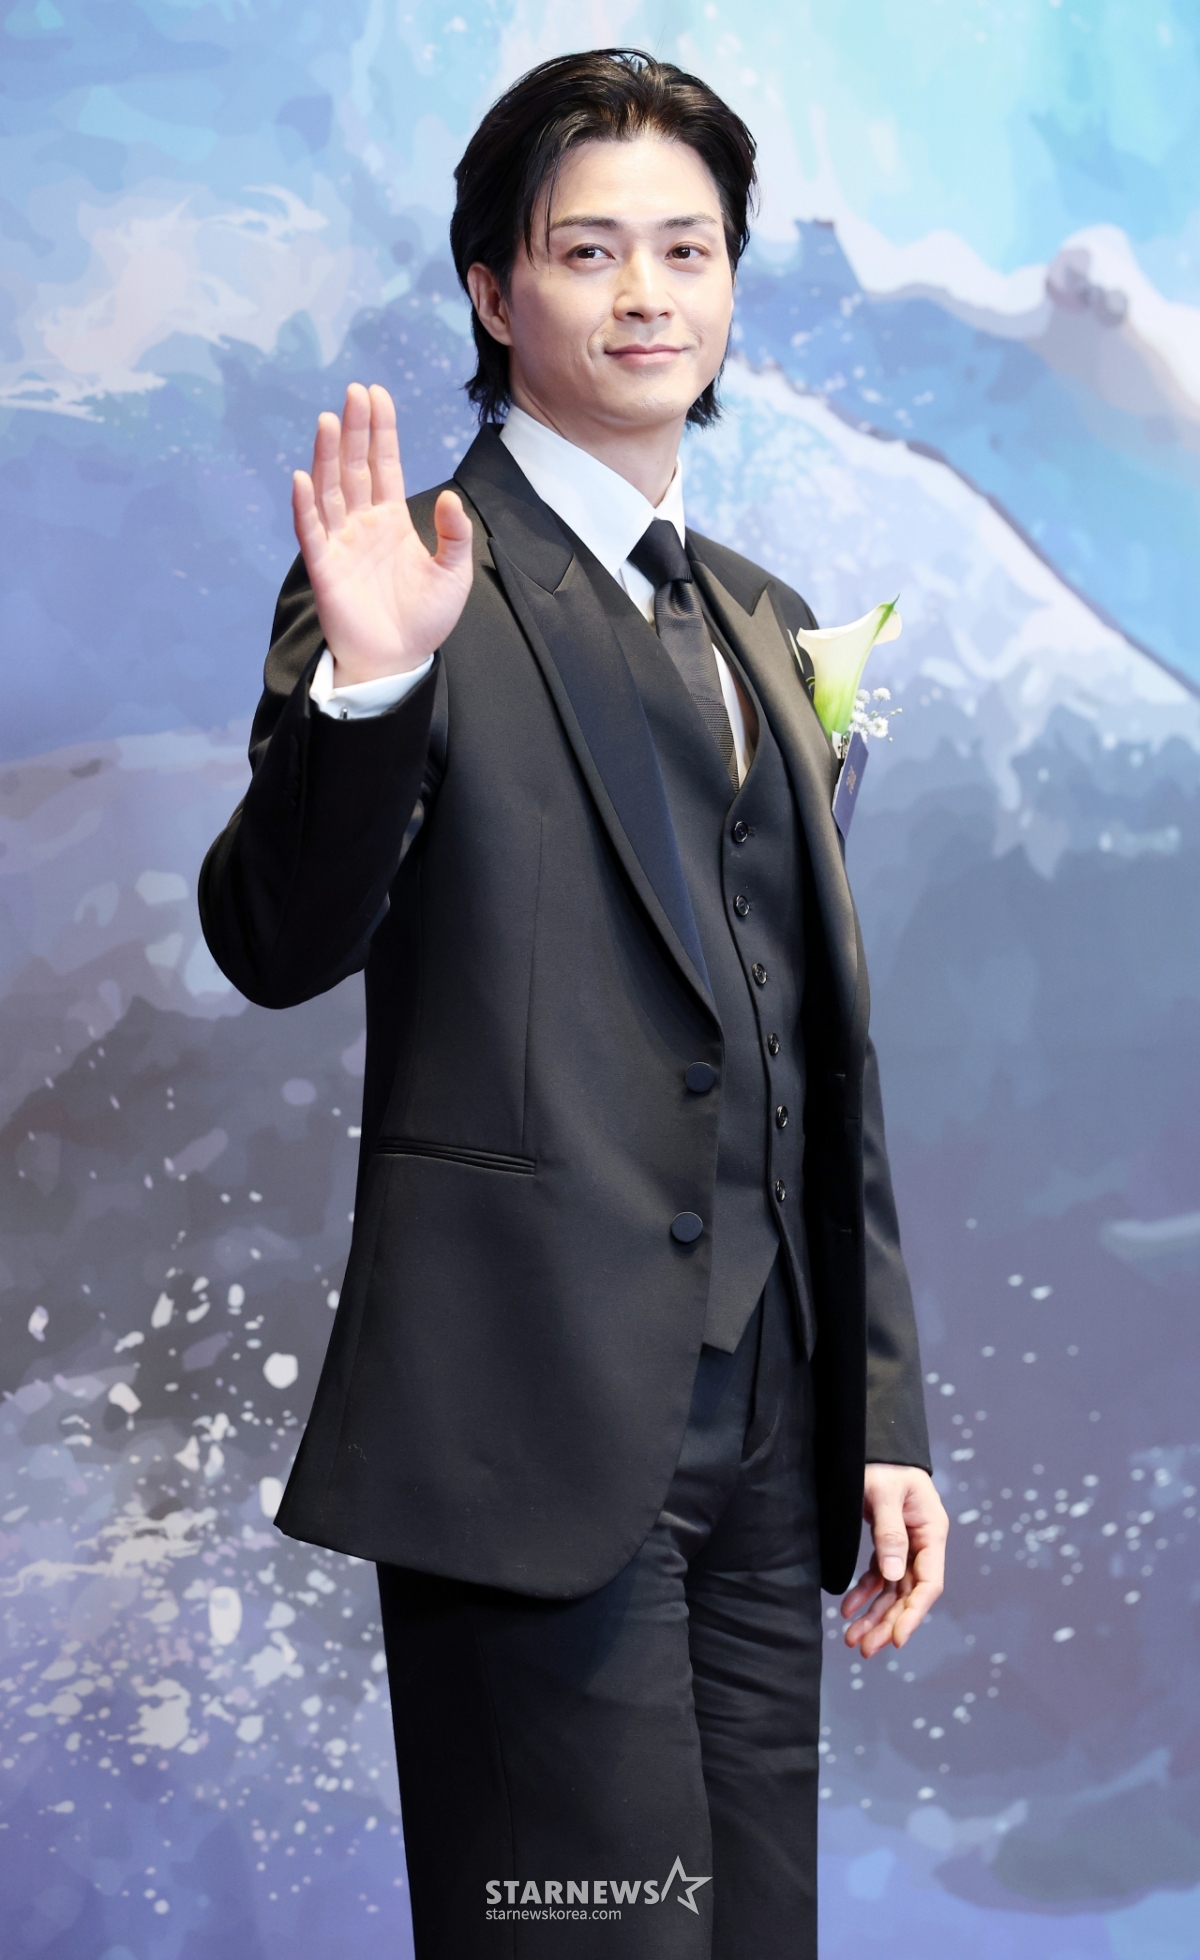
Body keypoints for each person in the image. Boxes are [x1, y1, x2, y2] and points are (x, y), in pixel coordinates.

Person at [200, 48, 947, 1959]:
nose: (646, 295)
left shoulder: (767, 620)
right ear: (490, 288)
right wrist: (374, 687)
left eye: (687, 251)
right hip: (526, 1424)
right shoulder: (407, 577)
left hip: (769, 1439)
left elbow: (814, 1050)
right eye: (589, 249)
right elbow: (274, 937)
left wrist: (878, 1412)